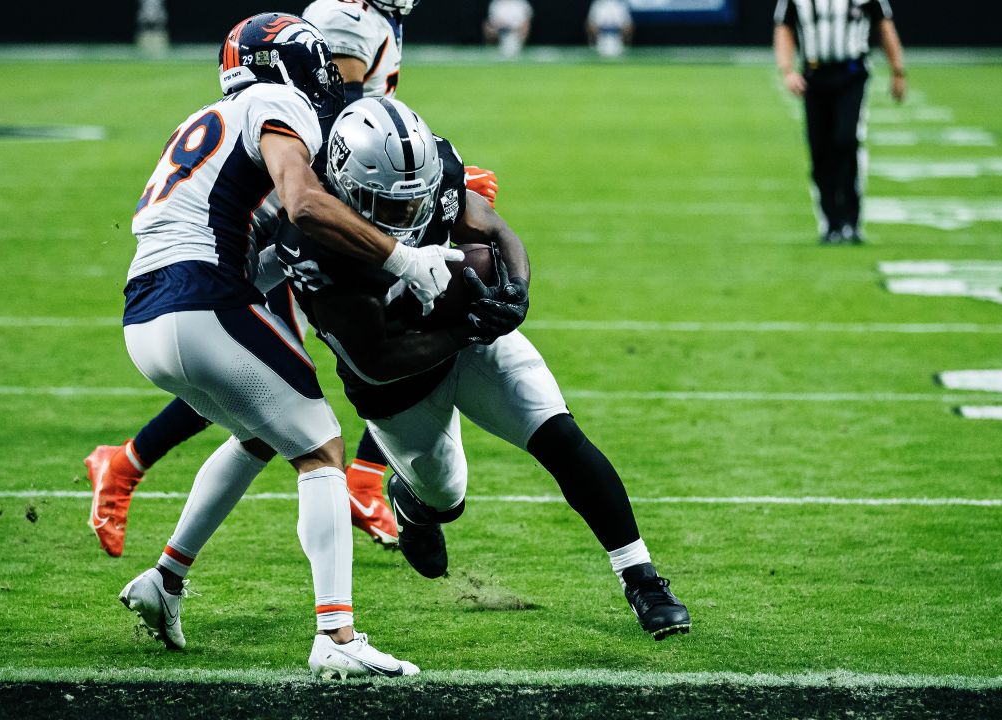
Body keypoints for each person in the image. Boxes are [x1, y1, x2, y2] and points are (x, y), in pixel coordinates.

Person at [85, 0, 499, 558]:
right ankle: (335, 612)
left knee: (268, 401)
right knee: (295, 385)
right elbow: (337, 130)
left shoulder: (248, 99)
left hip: (285, 226)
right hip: (300, 220)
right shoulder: (317, 52)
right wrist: (428, 183)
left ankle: (155, 531)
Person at [115, 13, 458, 678]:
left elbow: (260, 241)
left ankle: (166, 579)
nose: (327, 75)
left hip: (146, 312)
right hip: (202, 298)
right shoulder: (279, 103)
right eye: (316, 61)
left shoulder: (207, 118)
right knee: (323, 445)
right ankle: (335, 634)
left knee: (262, 434)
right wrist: (401, 260)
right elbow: (301, 204)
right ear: (286, 64)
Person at [278, 97, 691, 640]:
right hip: (398, 382)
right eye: (391, 205)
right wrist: (464, 329)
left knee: (560, 437)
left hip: (469, 335)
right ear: (345, 184)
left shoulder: (435, 173)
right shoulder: (315, 242)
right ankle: (414, 506)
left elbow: (497, 232)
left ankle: (642, 579)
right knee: (445, 498)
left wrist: (515, 294)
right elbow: (375, 361)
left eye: (415, 201)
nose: (408, 216)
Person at [774, 0, 906, 245]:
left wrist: (898, 70)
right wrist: (787, 69)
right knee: (820, 150)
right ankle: (831, 222)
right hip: (814, 75)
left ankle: (851, 220)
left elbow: (884, 25)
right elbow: (784, 27)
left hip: (851, 74)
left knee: (846, 140)